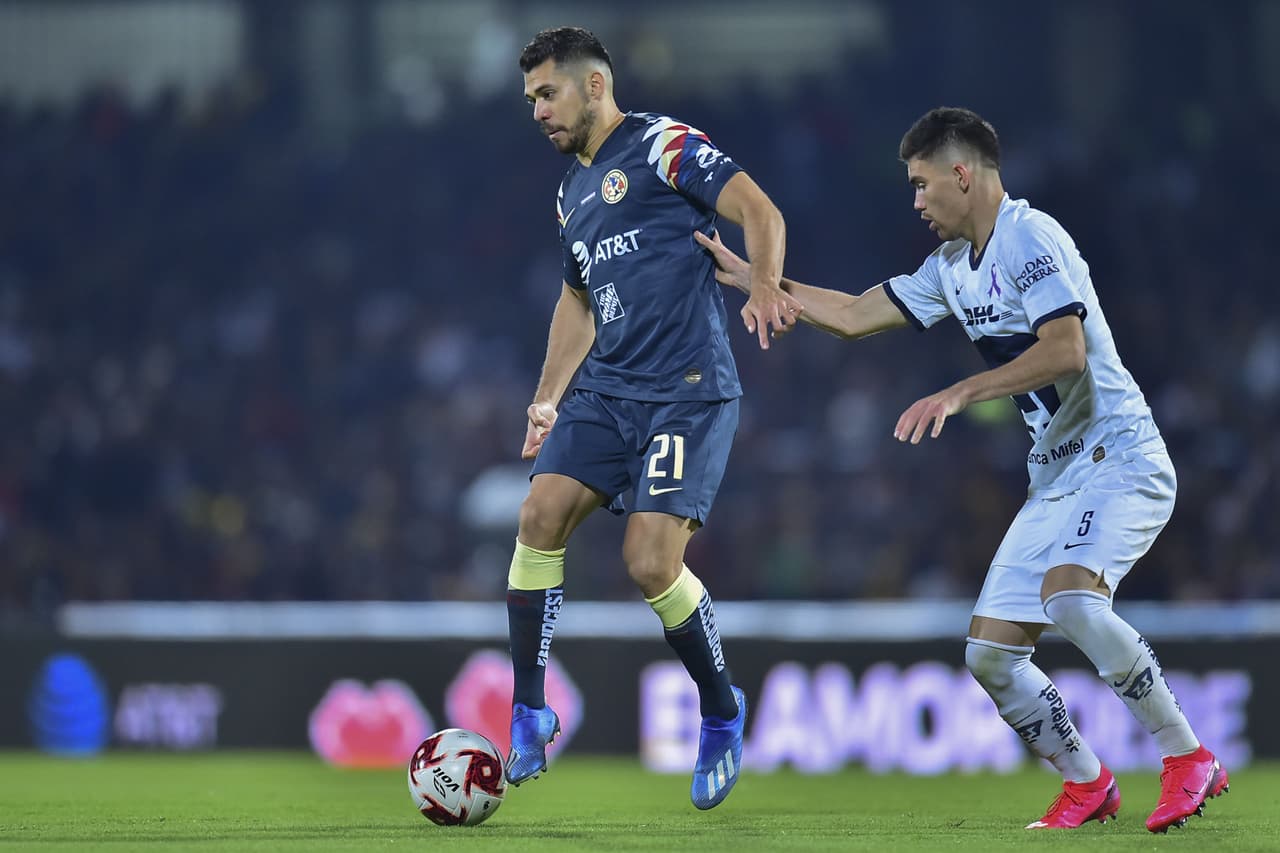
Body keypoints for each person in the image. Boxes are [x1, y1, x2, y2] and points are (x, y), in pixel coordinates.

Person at [695, 107, 1230, 833]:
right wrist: (759, 280)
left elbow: (1066, 350)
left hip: (1120, 457)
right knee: (990, 655)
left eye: (921, 184)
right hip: (1056, 478)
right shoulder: (951, 269)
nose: (915, 201)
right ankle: (1087, 782)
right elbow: (853, 313)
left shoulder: (1030, 236)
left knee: (1073, 601)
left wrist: (960, 390)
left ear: (961, 173)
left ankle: (1186, 756)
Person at [506, 27, 803, 810]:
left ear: (594, 85)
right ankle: (529, 707)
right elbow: (577, 300)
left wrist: (766, 284)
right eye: (531, 97)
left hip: (687, 388)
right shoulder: (571, 192)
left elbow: (758, 210)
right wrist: (547, 395)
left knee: (648, 563)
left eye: (547, 93)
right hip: (607, 390)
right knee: (537, 514)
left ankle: (720, 708)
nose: (537, 110)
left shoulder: (663, 145)